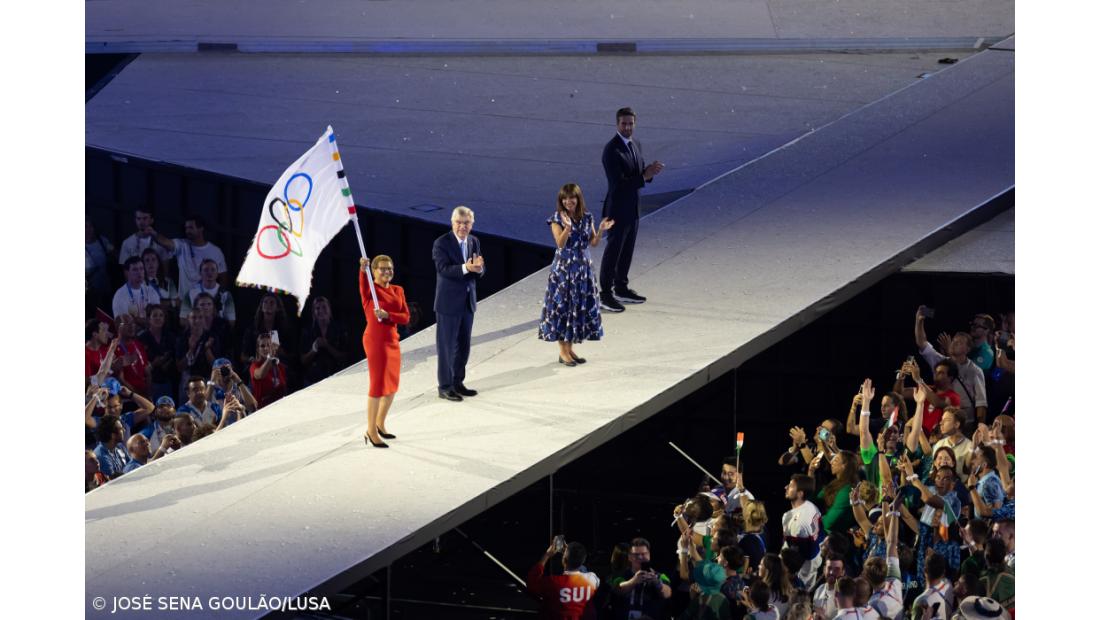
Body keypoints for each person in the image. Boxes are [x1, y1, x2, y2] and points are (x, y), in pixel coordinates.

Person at [537, 183, 613, 366]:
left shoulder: (587, 217)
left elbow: (593, 242)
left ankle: (569, 349)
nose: (568, 201)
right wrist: (568, 228)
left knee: (576, 308)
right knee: (563, 307)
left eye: (572, 197)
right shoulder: (557, 219)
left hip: (583, 268)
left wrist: (602, 228)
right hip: (564, 269)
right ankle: (563, 352)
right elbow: (560, 244)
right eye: (565, 198)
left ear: (578, 199)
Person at [598, 107, 664, 313]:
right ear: (617, 124)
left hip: (633, 208)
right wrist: (644, 177)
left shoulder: (635, 145)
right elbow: (618, 184)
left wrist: (650, 172)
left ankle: (621, 287)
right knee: (613, 252)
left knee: (627, 251)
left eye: (630, 123)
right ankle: (605, 294)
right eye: (623, 124)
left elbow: (639, 172)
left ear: (635, 124)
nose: (627, 127)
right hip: (617, 209)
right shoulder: (612, 150)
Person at [433, 205, 484, 401]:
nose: (462, 226)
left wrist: (479, 269)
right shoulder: (441, 243)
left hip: (467, 302)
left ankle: (457, 382)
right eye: (458, 223)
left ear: (472, 224)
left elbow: (479, 269)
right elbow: (443, 269)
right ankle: (444, 387)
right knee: (446, 347)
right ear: (452, 223)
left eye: (466, 223)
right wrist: (466, 267)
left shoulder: (474, 241)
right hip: (448, 304)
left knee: (463, 345)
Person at [359, 255, 410, 447]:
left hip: (392, 340)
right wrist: (363, 269)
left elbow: (405, 317)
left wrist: (388, 315)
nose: (387, 271)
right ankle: (371, 431)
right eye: (382, 268)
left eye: (390, 268)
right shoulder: (370, 291)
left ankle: (380, 423)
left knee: (392, 385)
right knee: (378, 385)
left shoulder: (398, 290)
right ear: (374, 271)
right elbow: (364, 282)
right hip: (375, 341)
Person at [915, 310, 987, 427]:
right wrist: (919, 321)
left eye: (959, 343)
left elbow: (981, 403)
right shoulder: (941, 361)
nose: (954, 343)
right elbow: (922, 343)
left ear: (967, 349)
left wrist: (980, 427)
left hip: (965, 424)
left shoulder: (975, 371)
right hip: (942, 422)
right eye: (954, 341)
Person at [154, 214, 228, 297]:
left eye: (191, 228)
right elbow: (165, 242)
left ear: (201, 228)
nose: (187, 231)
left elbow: (223, 277)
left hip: (206, 303)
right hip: (185, 302)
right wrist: (153, 233)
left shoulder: (215, 251)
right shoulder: (182, 245)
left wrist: (219, 297)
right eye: (186, 228)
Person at [526, 538, 600, 620]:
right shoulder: (592, 579)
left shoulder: (553, 582)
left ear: (564, 560)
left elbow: (531, 582)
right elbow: (580, 567)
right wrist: (570, 554)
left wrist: (547, 555)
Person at [608, 537, 671, 620]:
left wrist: (656, 582)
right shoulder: (620, 575)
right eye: (636, 555)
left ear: (649, 555)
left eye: (644, 554)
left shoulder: (661, 576)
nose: (640, 557)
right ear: (629, 557)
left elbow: (667, 593)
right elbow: (617, 588)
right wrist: (633, 581)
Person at [781, 473, 823, 588]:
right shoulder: (811, 506)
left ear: (800, 493)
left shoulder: (797, 523)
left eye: (790, 486)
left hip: (802, 572)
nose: (786, 488)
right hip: (814, 564)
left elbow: (796, 556)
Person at [300, 295, 351, 387]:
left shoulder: (340, 329)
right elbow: (303, 360)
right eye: (317, 308)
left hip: (336, 377)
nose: (321, 310)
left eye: (324, 307)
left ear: (329, 309)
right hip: (313, 380)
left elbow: (344, 357)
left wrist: (327, 346)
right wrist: (313, 350)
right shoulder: (307, 331)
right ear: (314, 312)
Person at [180, 258, 236, 327]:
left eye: (213, 270)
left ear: (217, 273)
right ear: (200, 273)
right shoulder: (190, 294)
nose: (209, 273)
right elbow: (183, 320)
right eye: (206, 270)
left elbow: (231, 321)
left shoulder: (226, 294)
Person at [112, 257, 161, 327]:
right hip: (131, 333)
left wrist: (137, 320)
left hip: (151, 331)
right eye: (135, 269)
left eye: (141, 269)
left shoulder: (151, 291)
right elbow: (119, 324)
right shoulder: (120, 295)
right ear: (127, 273)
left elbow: (158, 317)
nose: (139, 272)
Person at [250, 332, 288, 409]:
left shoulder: (280, 366)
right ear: (258, 349)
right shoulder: (254, 366)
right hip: (263, 411)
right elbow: (260, 375)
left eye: (268, 345)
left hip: (280, 408)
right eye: (262, 346)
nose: (266, 348)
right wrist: (270, 357)